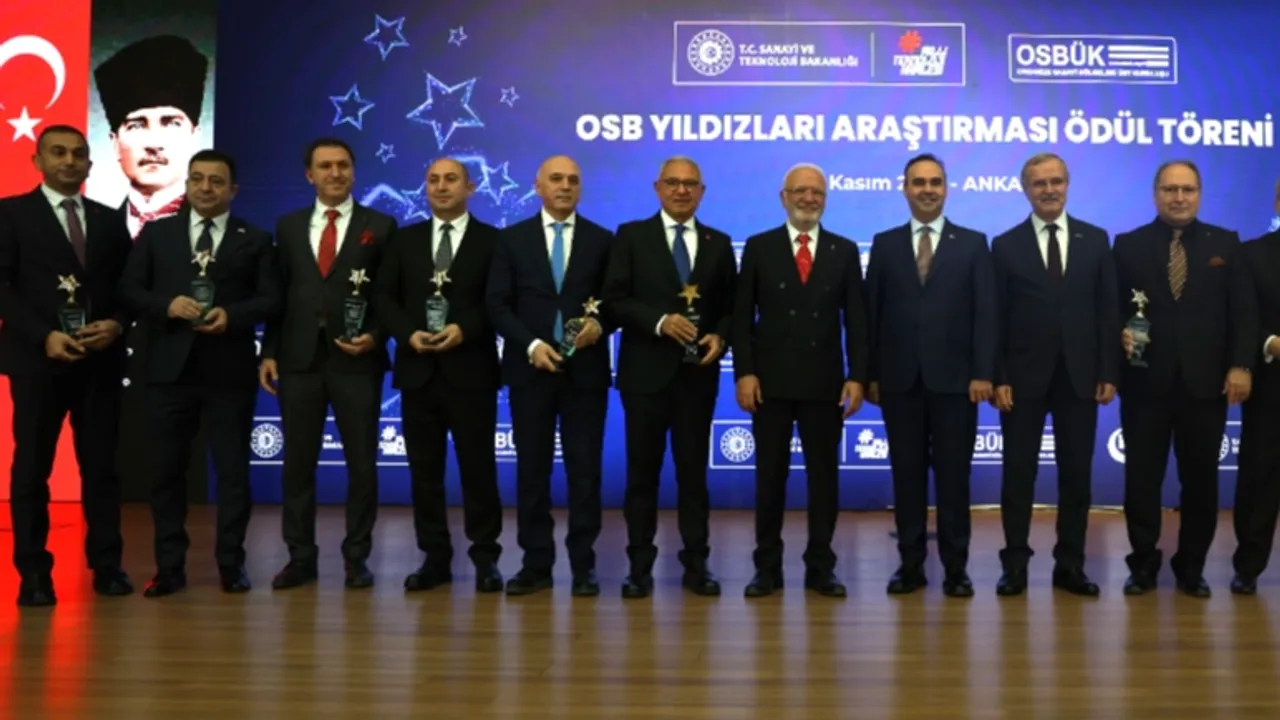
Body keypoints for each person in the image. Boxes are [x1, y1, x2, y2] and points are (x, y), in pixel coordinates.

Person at [118, 149, 281, 597]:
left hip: (228, 372)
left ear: (233, 190)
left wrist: (233, 314)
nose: (206, 188)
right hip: (167, 372)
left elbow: (271, 300)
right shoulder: (157, 233)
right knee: (165, 473)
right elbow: (129, 289)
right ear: (187, 184)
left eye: (216, 181)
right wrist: (166, 306)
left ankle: (231, 563)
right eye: (197, 179)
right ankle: (169, 568)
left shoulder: (254, 238)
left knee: (232, 473)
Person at [0, 125, 133, 606]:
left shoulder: (108, 219)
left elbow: (128, 287)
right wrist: (44, 336)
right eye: (58, 153)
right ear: (38, 161)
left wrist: (117, 323)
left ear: (90, 164)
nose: (69, 161)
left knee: (101, 467)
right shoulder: (10, 214)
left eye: (78, 154)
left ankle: (107, 565)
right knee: (32, 468)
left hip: (99, 362)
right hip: (38, 361)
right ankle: (34, 573)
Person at [260, 138, 397, 590]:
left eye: (342, 165)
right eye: (325, 166)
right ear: (310, 175)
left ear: (353, 172)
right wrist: (269, 351)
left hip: (357, 360)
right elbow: (279, 296)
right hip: (298, 360)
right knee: (298, 465)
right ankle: (300, 557)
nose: (335, 173)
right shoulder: (288, 226)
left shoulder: (381, 225)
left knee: (362, 464)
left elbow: (389, 295)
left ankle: (357, 558)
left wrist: (376, 335)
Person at [1114, 160, 1256, 597]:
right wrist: (1118, 333)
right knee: (1141, 481)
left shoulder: (1226, 244)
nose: (1179, 198)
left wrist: (1241, 364)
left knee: (1200, 483)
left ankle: (1191, 567)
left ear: (1199, 193)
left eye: (1187, 189)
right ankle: (1142, 564)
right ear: (1155, 193)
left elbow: (1243, 311)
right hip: (1144, 384)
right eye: (1170, 189)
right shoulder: (1128, 245)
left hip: (1206, 385)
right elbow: (1112, 308)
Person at [601, 155, 736, 599]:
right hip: (645, 377)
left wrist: (721, 335)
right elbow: (614, 301)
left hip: (697, 378)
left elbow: (732, 307)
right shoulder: (631, 236)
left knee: (693, 477)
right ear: (658, 188)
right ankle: (639, 567)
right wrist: (659, 321)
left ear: (702, 192)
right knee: (642, 475)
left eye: (690, 184)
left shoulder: (719, 243)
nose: (682, 190)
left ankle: (697, 564)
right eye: (673, 183)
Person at [733, 162, 867, 598]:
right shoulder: (760, 246)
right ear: (783, 197)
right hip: (769, 384)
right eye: (800, 191)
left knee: (823, 480)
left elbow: (857, 321)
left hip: (824, 384)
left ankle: (821, 567)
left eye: (817, 193)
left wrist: (857, 376)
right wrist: (745, 372)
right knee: (769, 479)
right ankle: (766, 568)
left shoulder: (844, 250)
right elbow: (741, 317)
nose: (809, 199)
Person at [865, 153, 995, 598]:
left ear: (946, 188)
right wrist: (870, 374)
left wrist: (983, 372)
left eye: (935, 182)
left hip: (957, 384)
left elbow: (986, 314)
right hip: (899, 382)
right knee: (907, 477)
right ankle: (910, 566)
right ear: (905, 189)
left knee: (954, 479)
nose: (927, 189)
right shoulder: (885, 244)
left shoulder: (973, 244)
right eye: (918, 182)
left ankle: (956, 569)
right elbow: (872, 314)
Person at [372, 157, 505, 594]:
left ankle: (485, 557)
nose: (442, 187)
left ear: (470, 187)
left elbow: (498, 301)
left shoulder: (494, 241)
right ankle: (434, 558)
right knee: (424, 473)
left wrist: (464, 329)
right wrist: (406, 333)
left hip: (472, 372)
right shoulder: (403, 240)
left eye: (451, 179)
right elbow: (384, 297)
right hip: (418, 372)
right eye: (433, 180)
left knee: (478, 470)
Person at [485, 155, 615, 597]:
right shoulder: (511, 239)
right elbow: (497, 304)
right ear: (538, 186)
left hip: (586, 374)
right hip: (530, 371)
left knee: (585, 472)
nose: (565, 186)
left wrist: (601, 325)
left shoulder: (602, 240)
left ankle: (583, 566)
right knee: (532, 471)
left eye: (573, 180)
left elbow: (615, 301)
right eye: (556, 179)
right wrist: (531, 346)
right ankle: (535, 563)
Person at [990, 152, 1118, 597]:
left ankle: (1071, 565)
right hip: (1020, 381)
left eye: (1056, 181)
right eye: (1039, 183)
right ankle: (1015, 565)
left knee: (1077, 477)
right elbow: (995, 317)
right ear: (1025, 189)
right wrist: (999, 375)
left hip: (1080, 378)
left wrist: (1108, 370)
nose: (1049, 190)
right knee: (1017, 475)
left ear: (1067, 184)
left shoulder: (1095, 239)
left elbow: (1107, 311)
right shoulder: (1005, 245)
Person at [93, 34, 209, 239]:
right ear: (115, 143)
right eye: (136, 126)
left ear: (194, 137)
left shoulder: (226, 236)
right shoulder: (92, 234)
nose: (154, 143)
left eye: (171, 123)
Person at [1232, 179, 1280, 595]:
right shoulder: (1251, 255)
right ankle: (1248, 566)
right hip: (1271, 387)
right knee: (1259, 480)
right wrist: (1271, 343)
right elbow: (1243, 317)